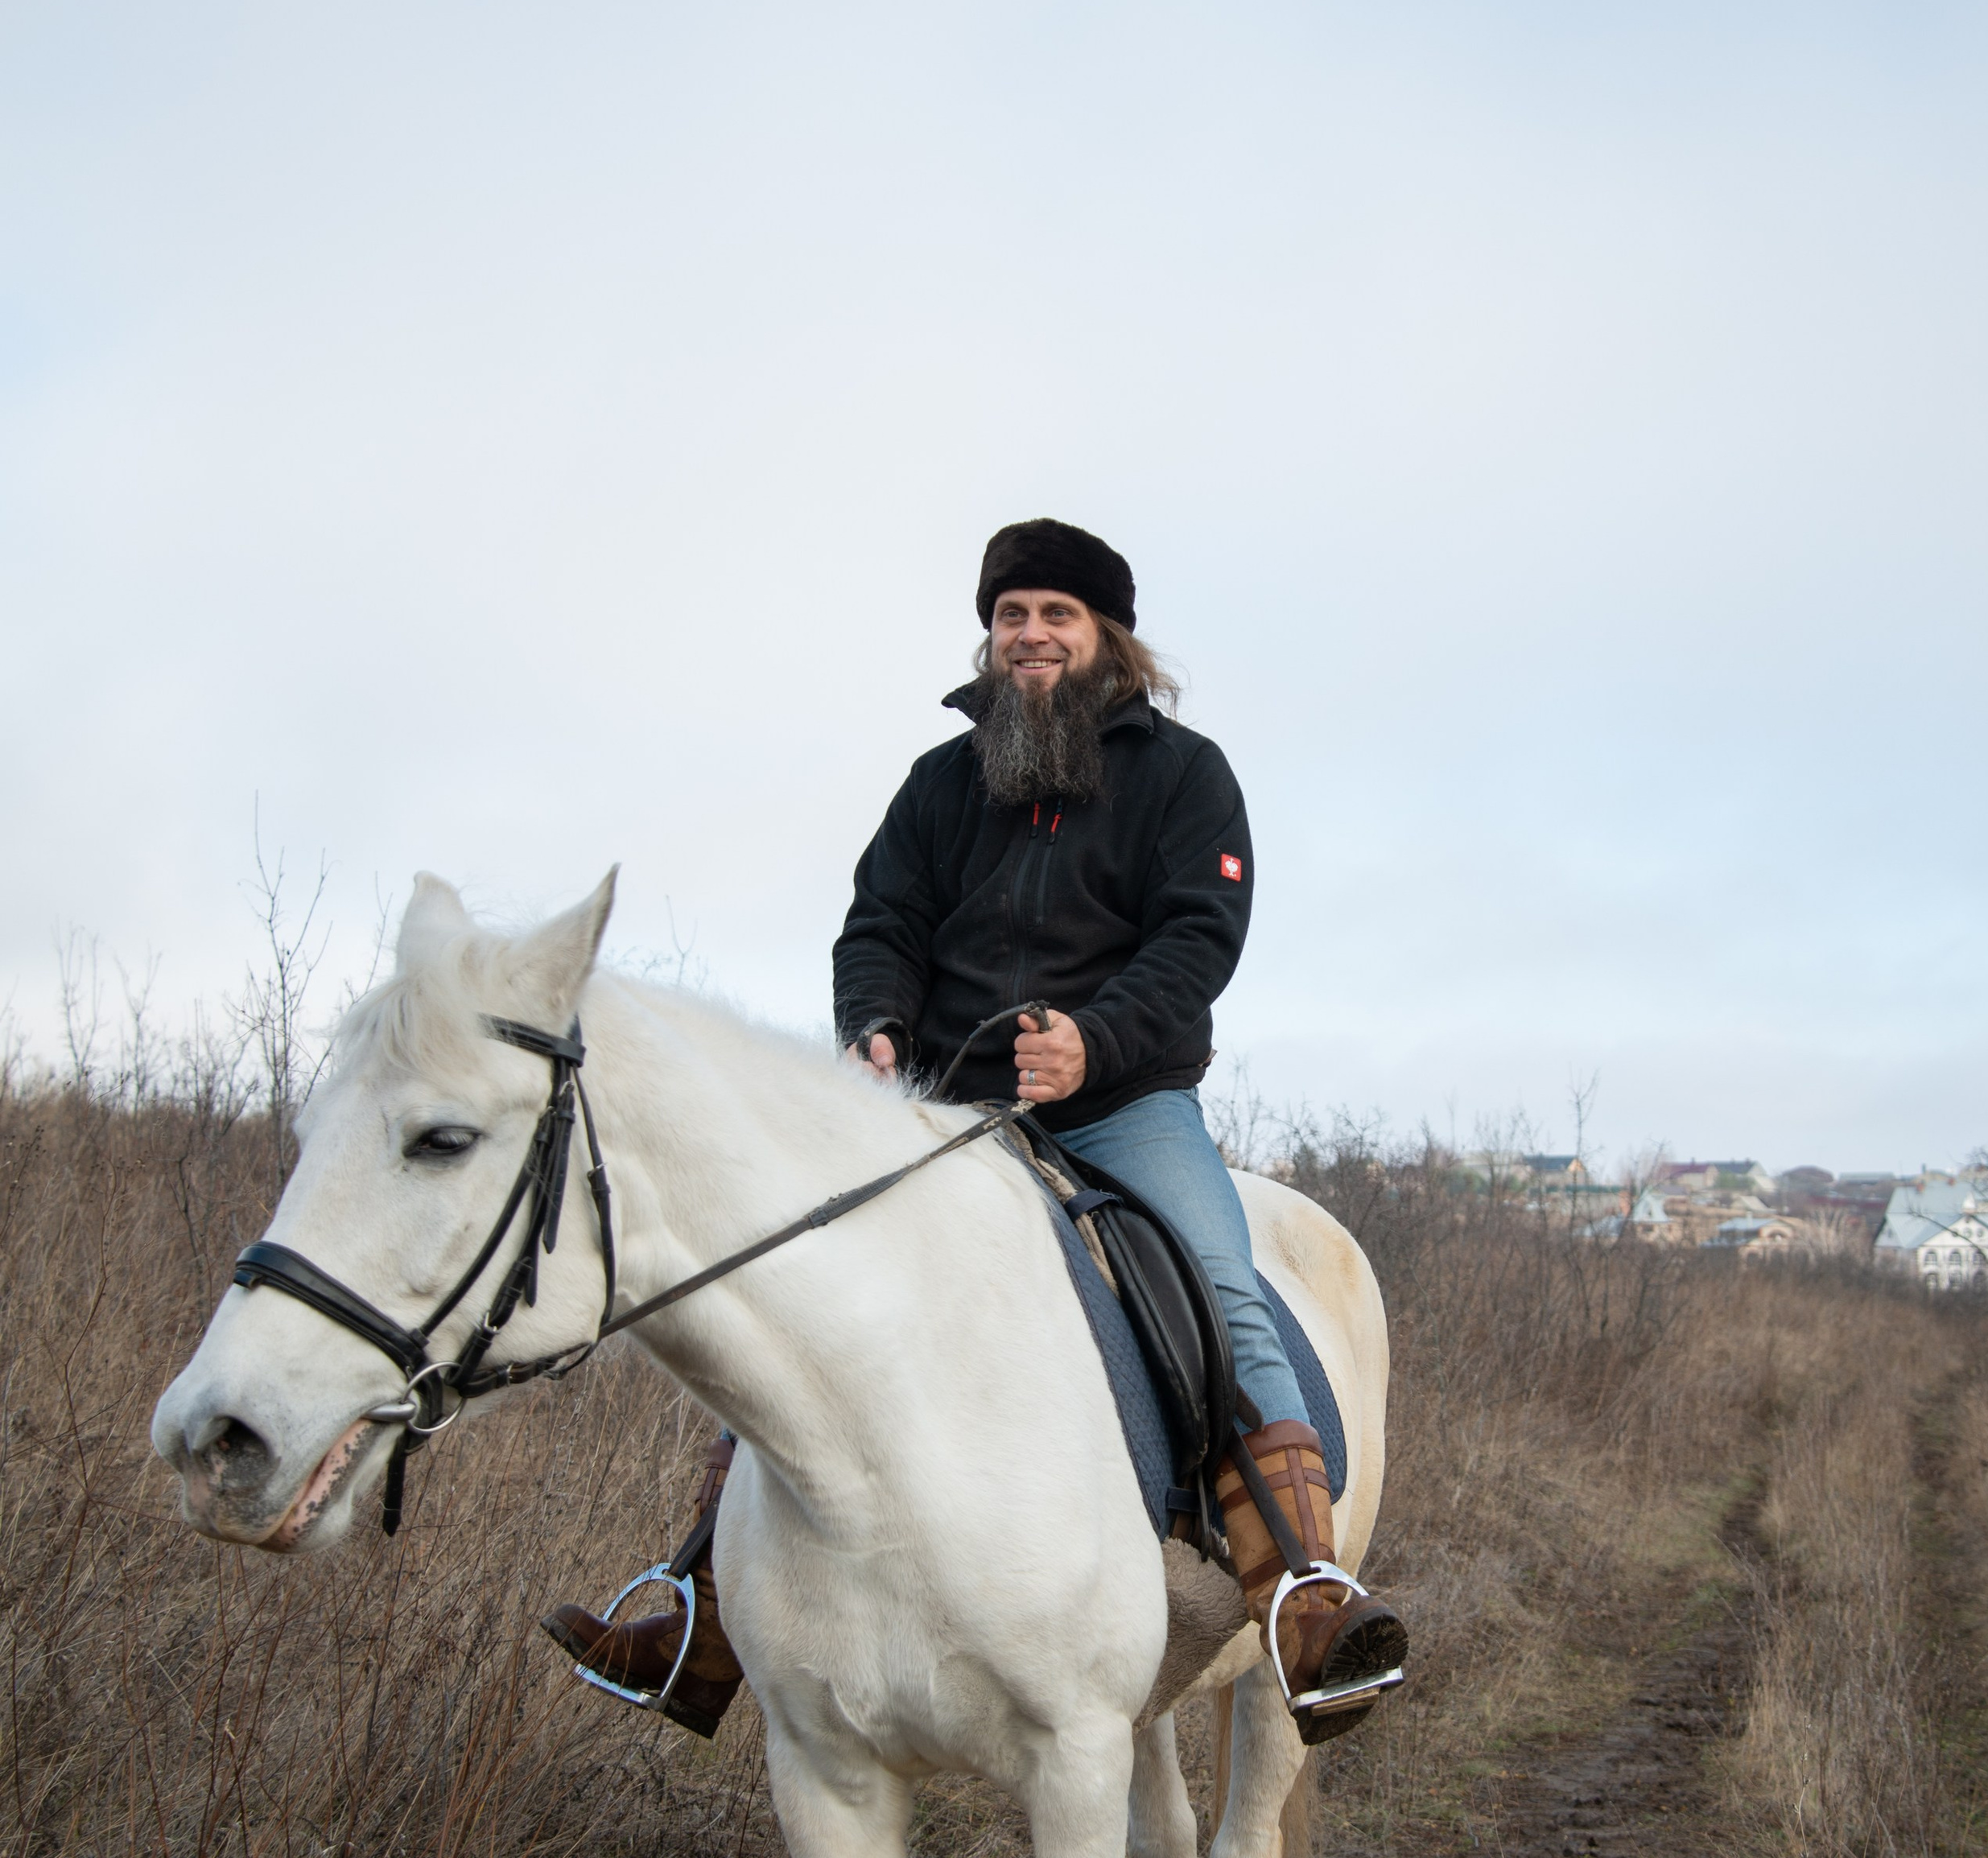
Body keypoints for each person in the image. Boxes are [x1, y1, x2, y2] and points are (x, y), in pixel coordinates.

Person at [542, 517, 1399, 1739]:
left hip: (1123, 1106)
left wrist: (1093, 1042)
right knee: (801, 1284)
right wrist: (878, 1023)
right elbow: (878, 921)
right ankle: (702, 1606)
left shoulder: (1185, 776)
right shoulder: (941, 783)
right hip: (947, 1106)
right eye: (1011, 616)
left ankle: (1304, 1591)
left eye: (1056, 614)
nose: (1030, 635)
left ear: (1107, 636)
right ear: (990, 637)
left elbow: (1196, 944)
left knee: (1220, 1278)